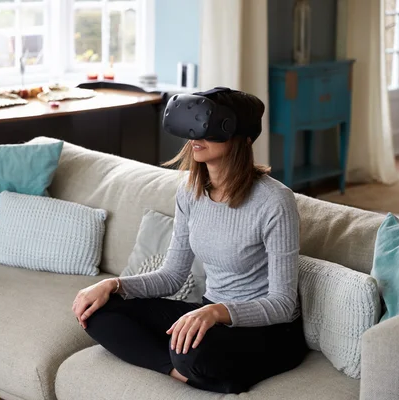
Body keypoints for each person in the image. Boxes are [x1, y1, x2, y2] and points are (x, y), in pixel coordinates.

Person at [71, 88, 309, 394]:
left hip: (266, 329)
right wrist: (114, 285)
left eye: (210, 128)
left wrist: (216, 312)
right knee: (97, 312)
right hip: (208, 313)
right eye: (195, 125)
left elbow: (283, 304)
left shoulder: (275, 201)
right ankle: (180, 370)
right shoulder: (190, 191)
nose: (197, 136)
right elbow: (172, 276)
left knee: (188, 351)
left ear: (241, 138)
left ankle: (195, 366)